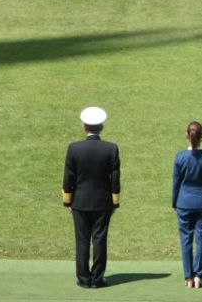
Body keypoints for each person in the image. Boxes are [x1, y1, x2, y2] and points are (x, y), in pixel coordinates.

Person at [62, 106, 121, 290]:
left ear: (84, 126)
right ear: (101, 127)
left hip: (79, 203)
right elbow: (115, 178)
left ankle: (83, 278)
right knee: (99, 240)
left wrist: (67, 201)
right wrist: (114, 202)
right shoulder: (111, 149)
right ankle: (97, 278)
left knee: (82, 240)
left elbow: (68, 177)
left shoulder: (74, 148)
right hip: (103, 203)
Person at [171, 121, 202, 289]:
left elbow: (176, 183)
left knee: (186, 240)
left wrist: (174, 202)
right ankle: (199, 276)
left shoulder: (180, 157)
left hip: (184, 202)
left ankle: (188, 277)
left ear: (187, 135)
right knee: (201, 239)